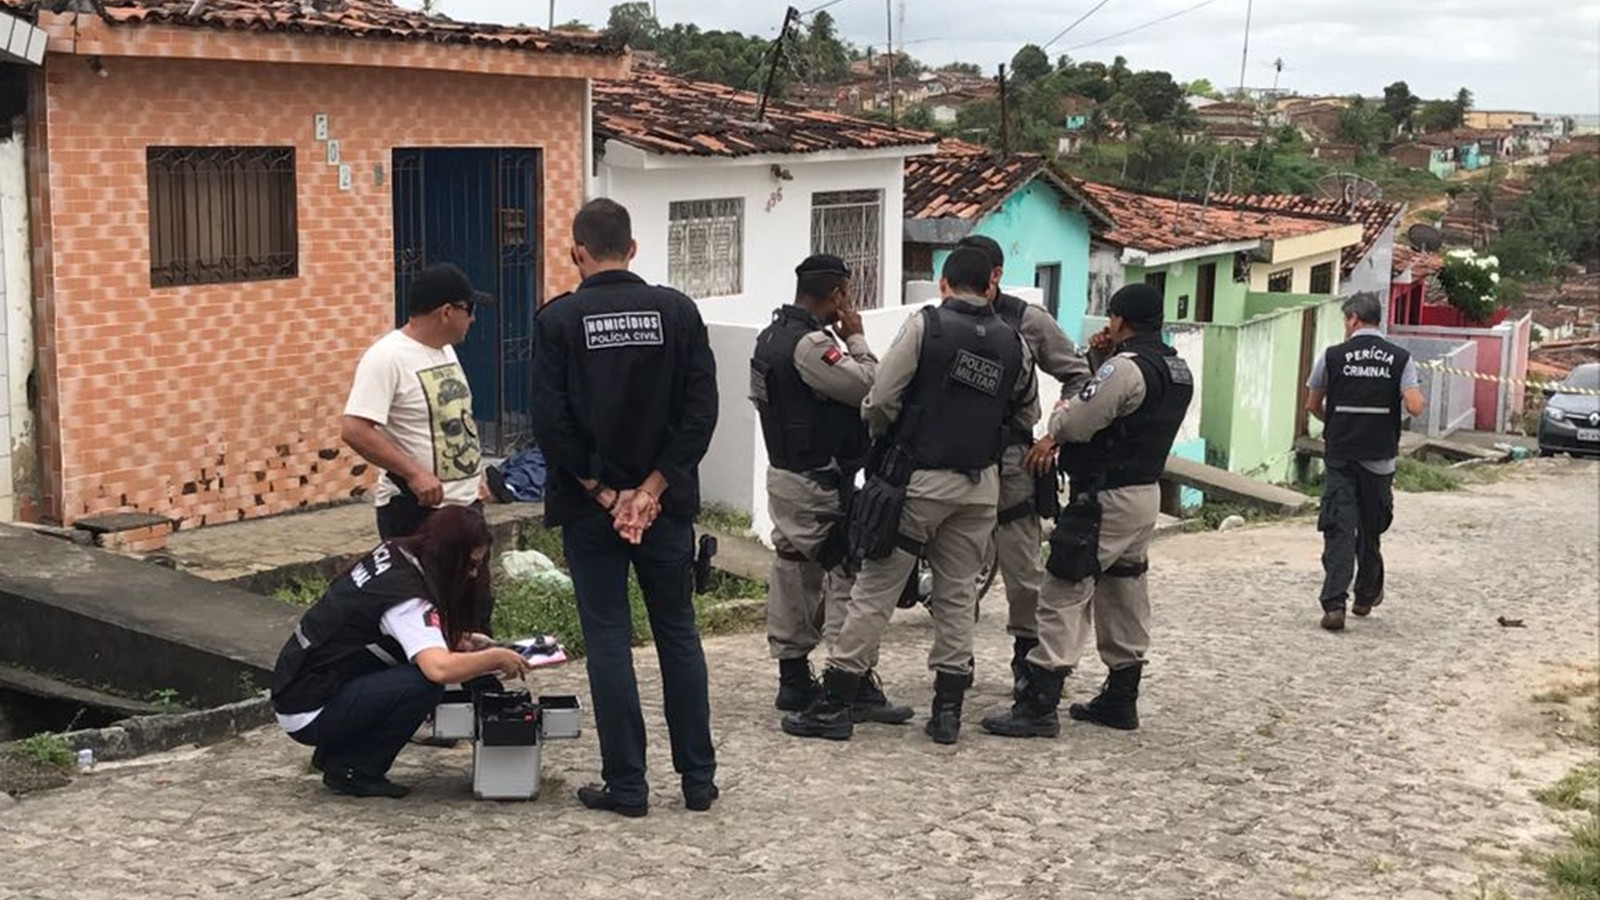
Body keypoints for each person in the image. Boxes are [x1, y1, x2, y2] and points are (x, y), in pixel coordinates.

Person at [782, 246, 1035, 745]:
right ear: (990, 285)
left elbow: (880, 399)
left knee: (875, 588)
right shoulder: (1013, 341)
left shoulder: (927, 328)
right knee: (958, 595)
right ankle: (946, 711)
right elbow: (1026, 413)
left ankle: (836, 701)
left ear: (944, 283)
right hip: (980, 486)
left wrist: (887, 439)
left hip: (916, 483)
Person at [529, 198, 720, 817]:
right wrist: (653, 489)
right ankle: (698, 780)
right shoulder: (678, 312)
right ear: (634, 248)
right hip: (665, 508)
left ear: (576, 252)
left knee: (609, 639)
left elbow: (551, 422)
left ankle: (628, 785)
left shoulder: (558, 321)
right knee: (678, 634)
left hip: (592, 511)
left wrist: (604, 492)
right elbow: (700, 412)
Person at [982, 283, 1192, 738]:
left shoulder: (1125, 368)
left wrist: (1057, 418)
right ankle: (1121, 696)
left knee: (1063, 588)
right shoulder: (1177, 369)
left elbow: (1078, 420)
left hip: (1104, 497)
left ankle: (1038, 703)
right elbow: (1125, 413)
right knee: (1124, 590)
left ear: (1119, 320)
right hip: (1144, 493)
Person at [750, 254, 912, 726]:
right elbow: (871, 385)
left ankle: (794, 677)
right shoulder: (811, 346)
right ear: (838, 294)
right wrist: (857, 335)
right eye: (847, 293)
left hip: (792, 475)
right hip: (817, 481)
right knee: (848, 570)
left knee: (795, 569)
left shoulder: (772, 336)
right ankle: (850, 682)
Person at [271, 506, 532, 798]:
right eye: (470, 565)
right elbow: (439, 668)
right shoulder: (407, 599)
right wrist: (494, 657)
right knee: (422, 683)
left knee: (412, 673)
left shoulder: (396, 553)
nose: (473, 575)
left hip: (301, 686)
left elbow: (383, 629)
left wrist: (461, 640)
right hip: (310, 709)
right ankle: (355, 768)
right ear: (449, 558)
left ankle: (336, 753)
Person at [955, 235, 1094, 694]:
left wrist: (1055, 435)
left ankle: (1027, 661)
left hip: (1013, 460)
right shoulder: (939, 320)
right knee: (953, 569)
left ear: (994, 276)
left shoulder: (1027, 320)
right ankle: (954, 666)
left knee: (1023, 573)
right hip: (953, 459)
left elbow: (1078, 378)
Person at [340, 262, 495, 632]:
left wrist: (475, 477)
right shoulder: (387, 357)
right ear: (447, 312)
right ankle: (425, 685)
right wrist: (413, 473)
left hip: (464, 506)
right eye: (468, 311)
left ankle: (478, 685)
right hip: (417, 510)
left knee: (475, 610)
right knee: (424, 612)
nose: (471, 321)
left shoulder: (445, 352)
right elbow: (355, 428)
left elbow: (453, 422)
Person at [1305, 291, 1426, 632]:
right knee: (1371, 529)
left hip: (1341, 454)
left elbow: (1313, 403)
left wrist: (1335, 422)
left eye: (1346, 320)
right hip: (1379, 458)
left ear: (1354, 319)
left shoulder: (1332, 356)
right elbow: (1415, 406)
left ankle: (1334, 605)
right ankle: (1366, 595)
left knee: (1339, 527)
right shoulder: (1400, 358)